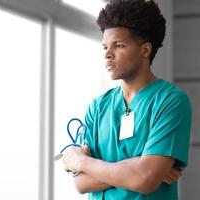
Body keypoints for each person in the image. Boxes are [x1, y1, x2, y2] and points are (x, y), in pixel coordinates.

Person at [62, 0, 192, 199]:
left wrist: (80, 162)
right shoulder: (98, 107)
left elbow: (144, 179)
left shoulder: (171, 102)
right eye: (105, 46)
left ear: (145, 50)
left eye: (118, 45)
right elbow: (81, 183)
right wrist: (137, 168)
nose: (107, 54)